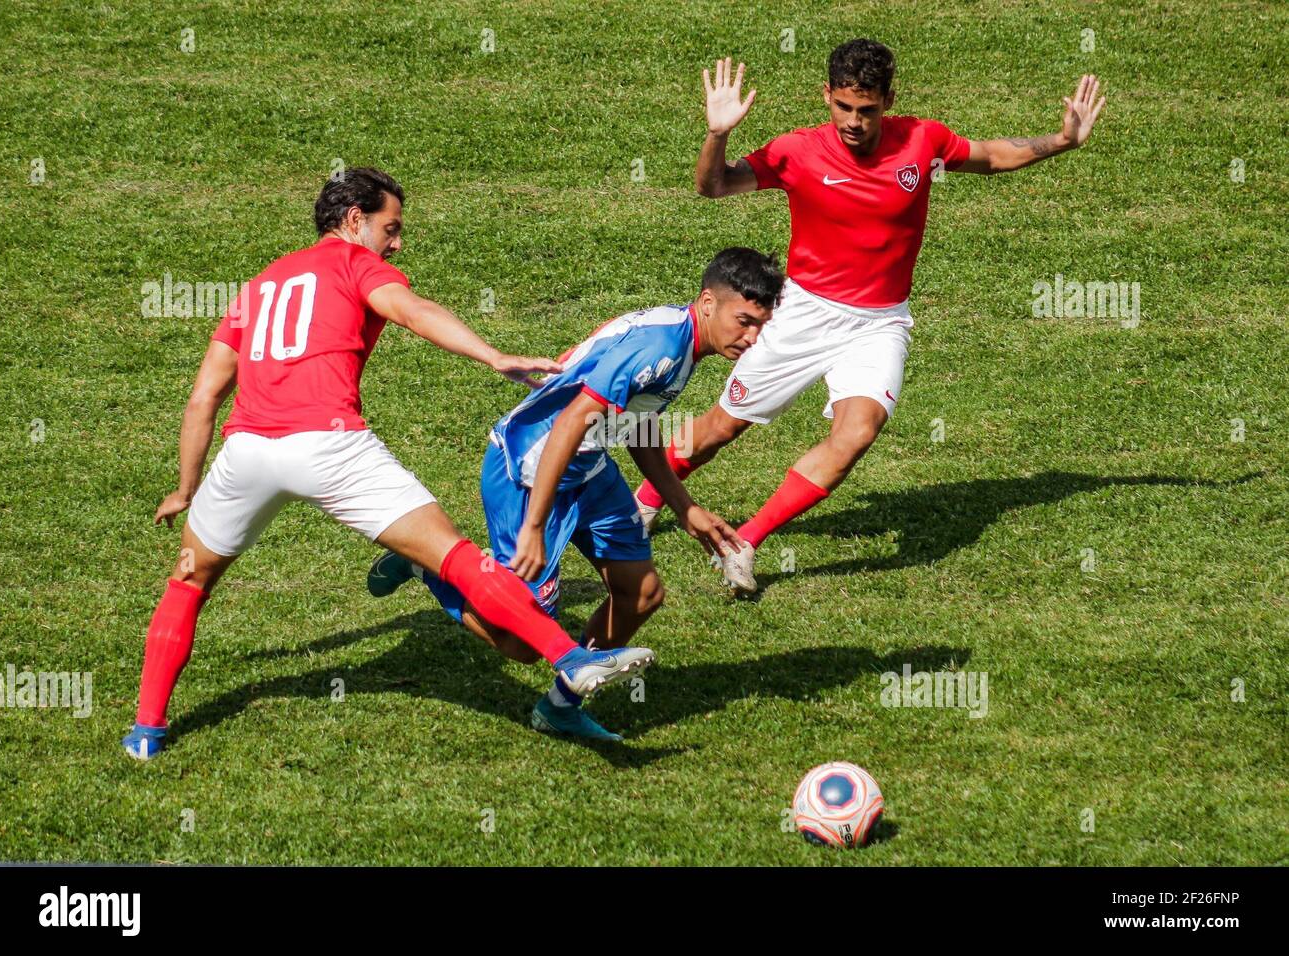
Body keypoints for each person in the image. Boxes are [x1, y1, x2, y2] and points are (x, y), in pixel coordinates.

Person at [122, 167, 654, 760]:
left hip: (246, 454)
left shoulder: (259, 285)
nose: (397, 243)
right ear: (354, 221)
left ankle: (147, 731)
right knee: (453, 556)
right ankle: (571, 659)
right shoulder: (356, 265)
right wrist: (492, 354)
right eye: (390, 228)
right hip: (329, 447)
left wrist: (185, 487)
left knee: (188, 583)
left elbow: (204, 397)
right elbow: (411, 310)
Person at [634, 40, 1107, 593]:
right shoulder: (798, 151)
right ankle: (644, 501)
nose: (854, 122)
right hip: (804, 314)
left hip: (880, 323)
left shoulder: (922, 139)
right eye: (843, 107)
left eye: (868, 110)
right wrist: (718, 134)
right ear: (826, 96)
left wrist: (1062, 140)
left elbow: (992, 155)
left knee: (857, 433)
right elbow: (711, 186)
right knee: (724, 425)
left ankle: (744, 543)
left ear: (888, 101)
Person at [368, 248, 784, 740]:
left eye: (761, 325)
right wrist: (536, 527)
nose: (752, 338)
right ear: (710, 301)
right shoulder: (660, 347)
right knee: (521, 639)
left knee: (642, 593)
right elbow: (570, 423)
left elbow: (636, 422)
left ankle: (560, 706)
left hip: (587, 467)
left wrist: (684, 506)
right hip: (529, 472)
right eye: (744, 321)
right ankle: (430, 566)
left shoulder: (682, 340)